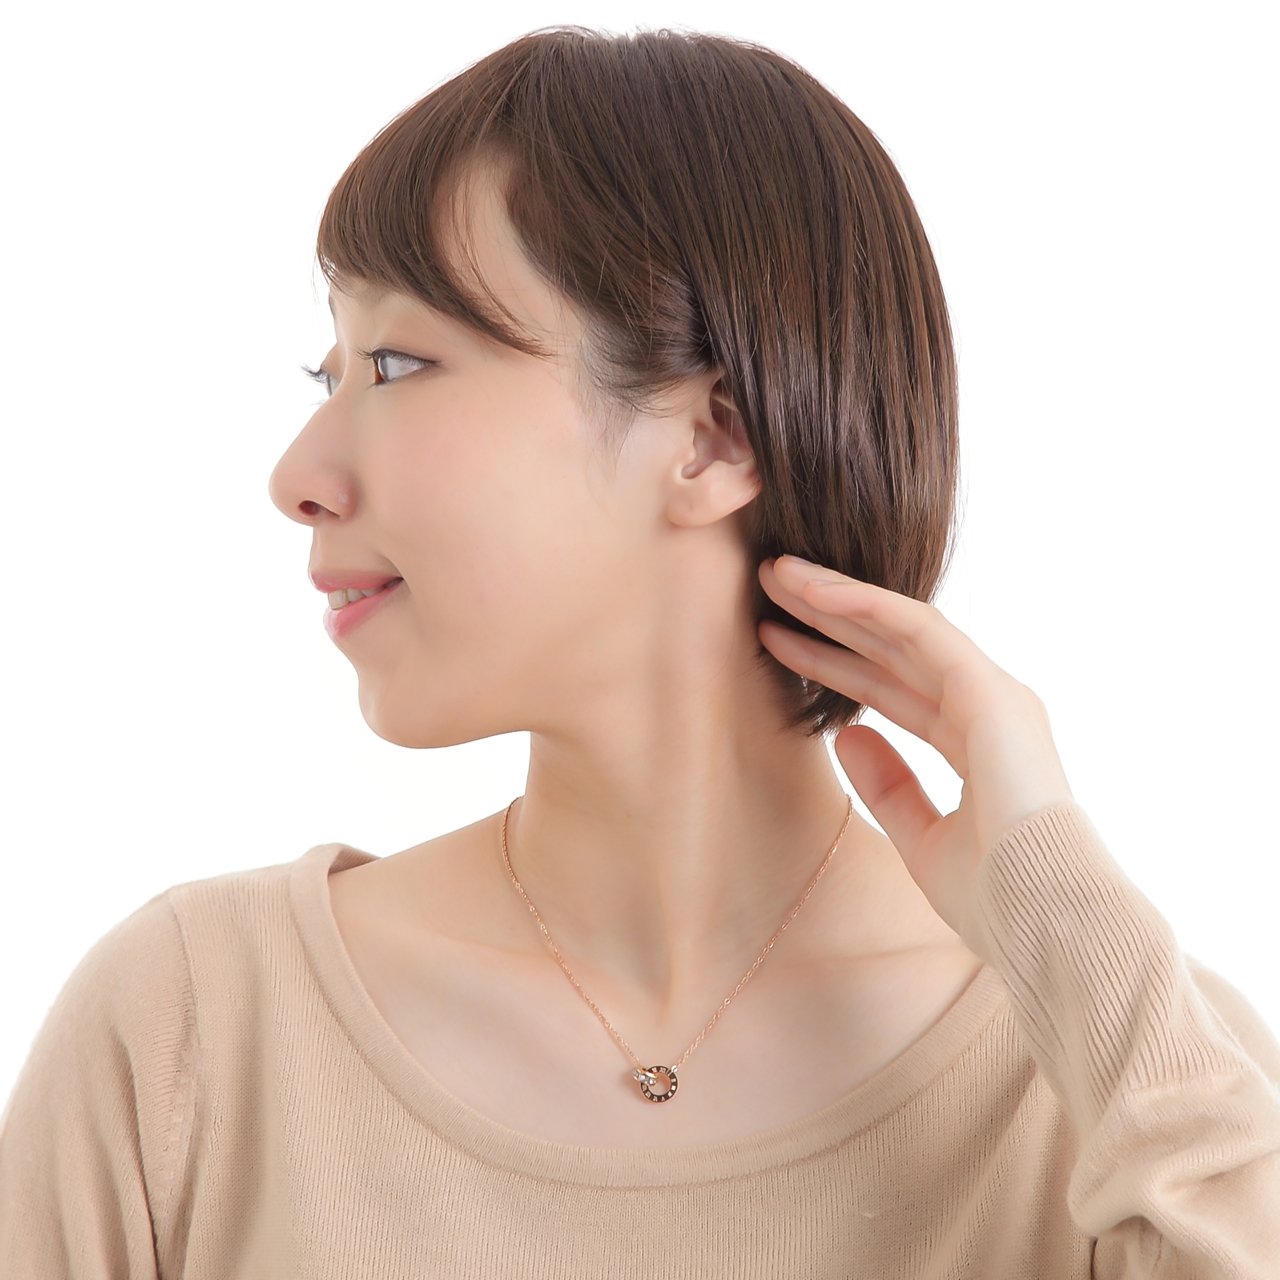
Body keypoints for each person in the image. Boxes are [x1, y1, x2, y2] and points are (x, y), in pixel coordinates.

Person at [2, 24, 1278, 1278]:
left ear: (714, 436)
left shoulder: (1118, 1076)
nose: (296, 475)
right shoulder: (193, 1032)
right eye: (323, 371)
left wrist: (1066, 917)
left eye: (393, 361)